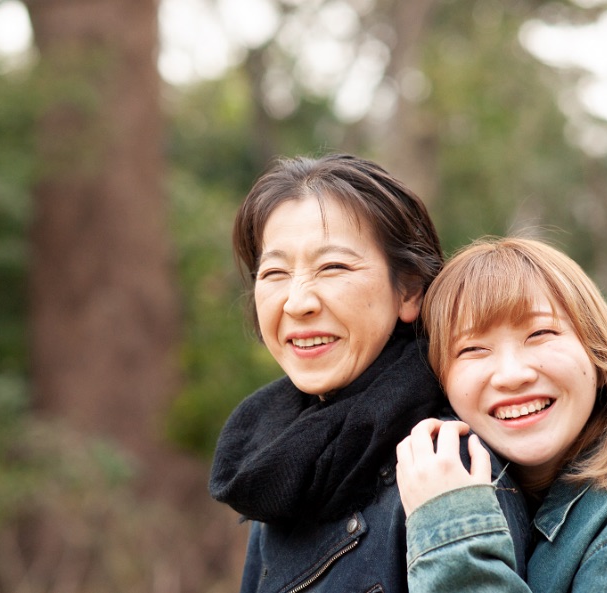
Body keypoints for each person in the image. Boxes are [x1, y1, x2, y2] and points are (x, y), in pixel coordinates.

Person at [209, 155, 530, 592]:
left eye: (333, 267)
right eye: (275, 272)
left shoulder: (447, 466)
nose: (296, 302)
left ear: (410, 289)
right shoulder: (278, 463)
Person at [396, 236, 607, 592]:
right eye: (473, 349)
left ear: (598, 358)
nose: (512, 374)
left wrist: (451, 534)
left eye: (540, 333)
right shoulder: (504, 489)